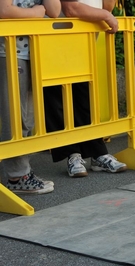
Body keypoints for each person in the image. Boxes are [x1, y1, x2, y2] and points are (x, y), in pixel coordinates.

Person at [43, 0, 127, 178]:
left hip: (82, 42)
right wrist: (106, 16)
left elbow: (107, 7)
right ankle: (73, 155)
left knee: (84, 99)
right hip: (57, 41)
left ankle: (97, 153)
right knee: (59, 100)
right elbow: (71, 8)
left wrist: (106, 13)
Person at [0, 0, 60, 194]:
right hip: (7, 52)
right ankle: (17, 175)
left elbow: (54, 11)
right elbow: (4, 10)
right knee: (15, 118)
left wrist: (39, 11)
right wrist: (35, 12)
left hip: (34, 53)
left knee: (28, 119)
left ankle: (22, 173)